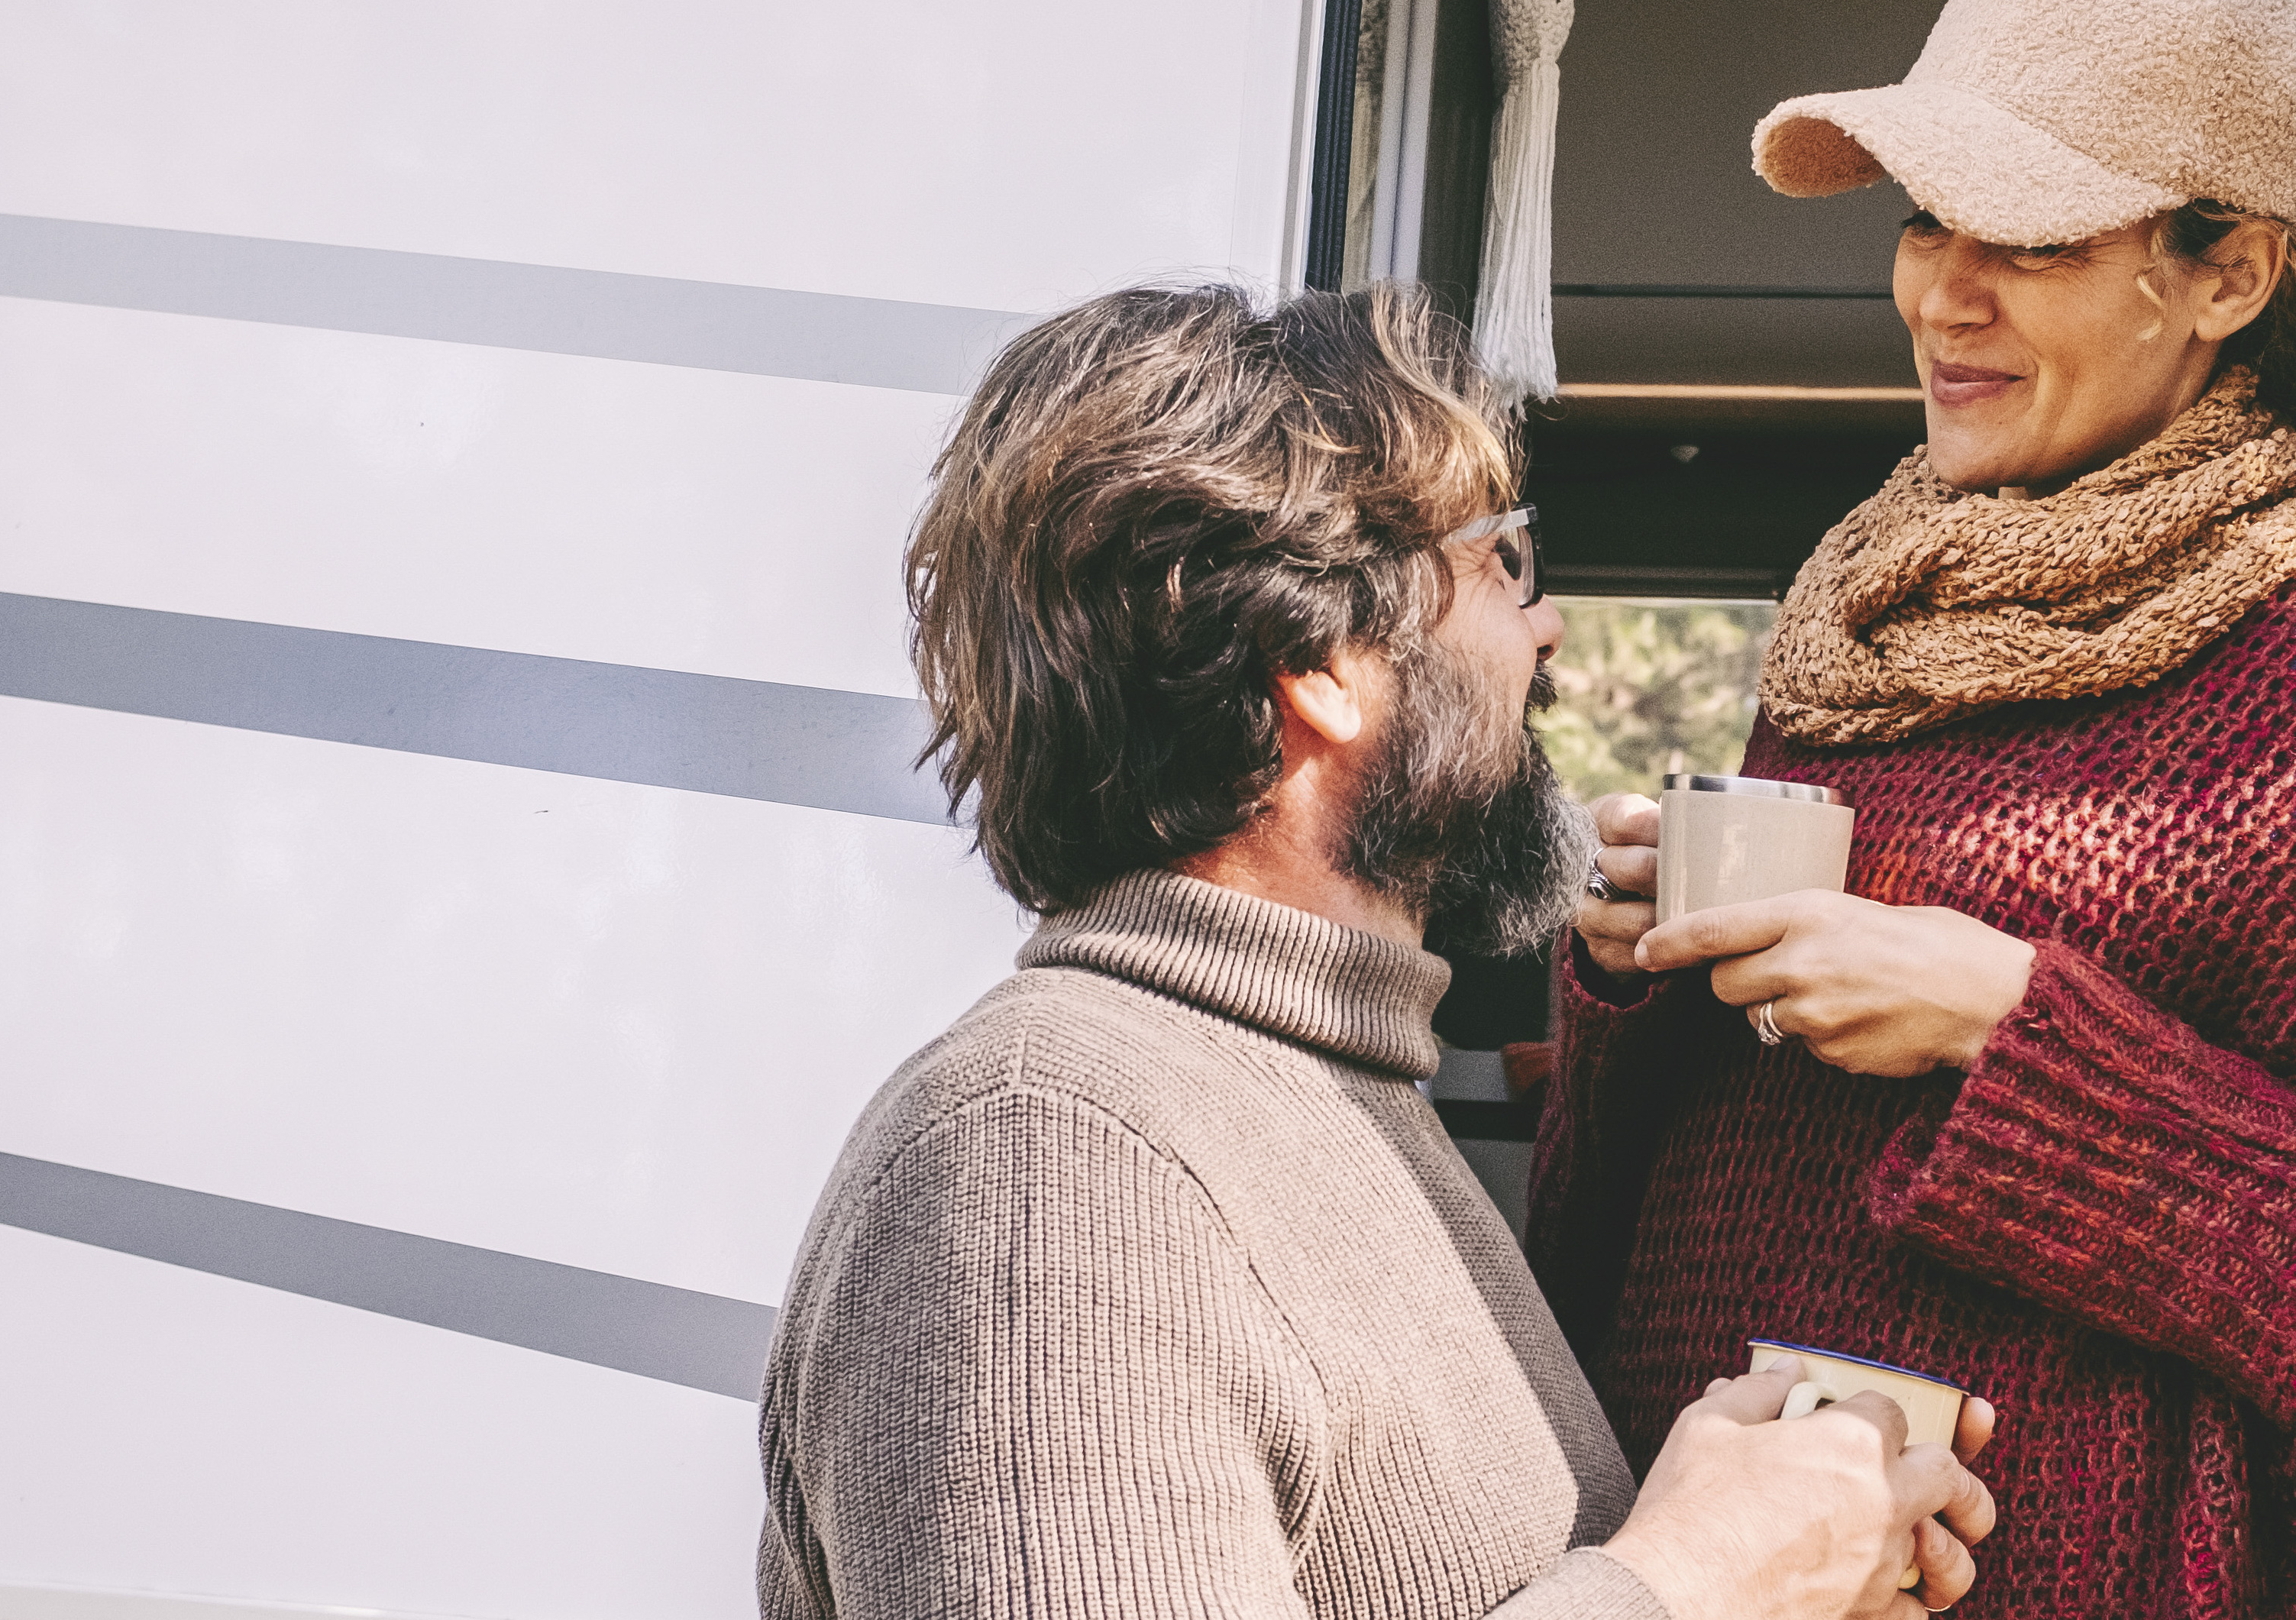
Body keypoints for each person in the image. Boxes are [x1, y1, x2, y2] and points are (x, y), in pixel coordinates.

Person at [752, 283, 1998, 1620]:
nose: (1545, 627)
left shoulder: (1321, 1098)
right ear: (1322, 661)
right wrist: (1693, 1583)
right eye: (1498, 560)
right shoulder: (1045, 1154)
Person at [1530, 0, 2296, 1615]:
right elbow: (1684, 1166)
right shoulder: (1860, 610)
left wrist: (2007, 1022)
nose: (1941, 294)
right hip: (1693, 1545)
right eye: (1923, 221)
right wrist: (1635, 974)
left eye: (2027, 239)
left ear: (2227, 275)